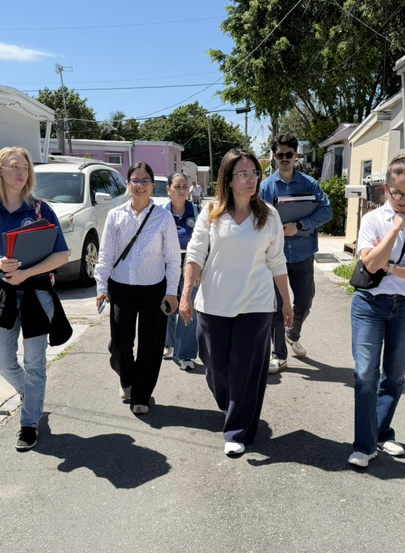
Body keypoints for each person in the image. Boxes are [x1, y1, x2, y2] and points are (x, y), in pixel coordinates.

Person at [181, 149, 294, 456]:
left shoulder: (269, 215)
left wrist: (286, 301)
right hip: (213, 304)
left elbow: (277, 261)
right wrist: (186, 294)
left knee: (245, 370)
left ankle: (237, 429)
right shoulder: (211, 212)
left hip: (256, 305)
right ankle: (233, 406)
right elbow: (194, 255)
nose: (250, 180)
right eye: (243, 175)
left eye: (254, 174)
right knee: (216, 369)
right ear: (227, 180)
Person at [0, 146, 72, 452]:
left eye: (25, 168)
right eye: (14, 167)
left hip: (37, 295)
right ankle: (30, 393)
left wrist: (27, 273)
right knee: (1, 359)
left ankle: (29, 424)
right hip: (3, 295)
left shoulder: (41, 210)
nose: (20, 173)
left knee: (35, 362)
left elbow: (62, 255)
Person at [348, 154, 405, 468]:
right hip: (369, 305)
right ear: (385, 190)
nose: (403, 199)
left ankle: (381, 432)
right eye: (397, 192)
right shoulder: (373, 220)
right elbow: (370, 264)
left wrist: (393, 267)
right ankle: (364, 445)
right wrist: (395, 229)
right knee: (365, 375)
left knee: (395, 378)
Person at [95, 161, 181, 416]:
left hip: (154, 288)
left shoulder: (164, 217)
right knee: (121, 342)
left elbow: (173, 258)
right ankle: (126, 378)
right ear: (128, 184)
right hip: (121, 287)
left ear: (153, 185)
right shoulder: (115, 215)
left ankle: (142, 394)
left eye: (145, 181)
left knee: (151, 344)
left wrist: (172, 291)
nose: (140, 185)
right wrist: (101, 286)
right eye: (135, 180)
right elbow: (105, 255)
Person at [259, 133, 333, 374]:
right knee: (277, 306)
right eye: (279, 155)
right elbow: (256, 219)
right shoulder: (266, 187)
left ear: (296, 154)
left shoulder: (309, 184)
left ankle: (294, 333)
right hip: (275, 256)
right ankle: (279, 354)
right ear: (274, 156)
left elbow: (327, 212)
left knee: (305, 300)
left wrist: (300, 226)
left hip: (302, 252)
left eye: (289, 154)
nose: (284, 159)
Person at [162, 172, 200, 370]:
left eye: (185, 186)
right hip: (165, 263)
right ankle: (168, 343)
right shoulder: (159, 213)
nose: (182, 190)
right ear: (168, 190)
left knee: (189, 305)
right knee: (167, 306)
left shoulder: (197, 212)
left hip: (190, 262)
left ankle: (184, 354)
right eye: (177, 187)